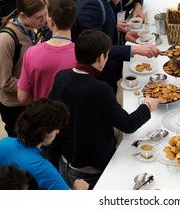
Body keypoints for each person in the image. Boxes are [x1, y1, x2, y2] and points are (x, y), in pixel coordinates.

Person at [48, 29, 160, 189]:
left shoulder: (61, 76)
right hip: (89, 171)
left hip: (64, 160)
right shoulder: (100, 89)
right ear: (101, 57)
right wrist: (147, 106)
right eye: (107, 55)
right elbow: (127, 125)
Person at [72, 0, 161, 94]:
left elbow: (102, 29)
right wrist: (136, 50)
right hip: (95, 78)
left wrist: (124, 35)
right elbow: (96, 48)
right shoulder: (90, 5)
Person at [0, 98, 89, 190]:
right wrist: (80, 187)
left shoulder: (3, 144)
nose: (58, 131)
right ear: (45, 133)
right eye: (56, 129)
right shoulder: (44, 169)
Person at [0, 0, 47, 137]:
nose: (44, 20)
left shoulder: (29, 29)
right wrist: (31, 87)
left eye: (45, 15)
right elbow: (3, 81)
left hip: (28, 101)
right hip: (14, 106)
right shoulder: (6, 40)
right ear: (22, 15)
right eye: (39, 17)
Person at [17, 0, 77, 104]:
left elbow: (22, 97)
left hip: (42, 116)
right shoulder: (81, 55)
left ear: (50, 21)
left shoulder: (31, 53)